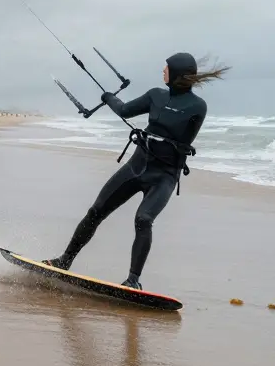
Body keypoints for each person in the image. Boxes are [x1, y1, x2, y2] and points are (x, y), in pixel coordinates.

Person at [44, 52, 228, 289]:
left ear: (177, 74)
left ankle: (133, 281)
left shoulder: (198, 107)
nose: (163, 71)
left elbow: (177, 130)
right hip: (137, 167)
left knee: (144, 219)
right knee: (95, 212)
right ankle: (63, 262)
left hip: (164, 177)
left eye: (167, 68)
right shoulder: (155, 95)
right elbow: (125, 110)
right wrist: (109, 97)